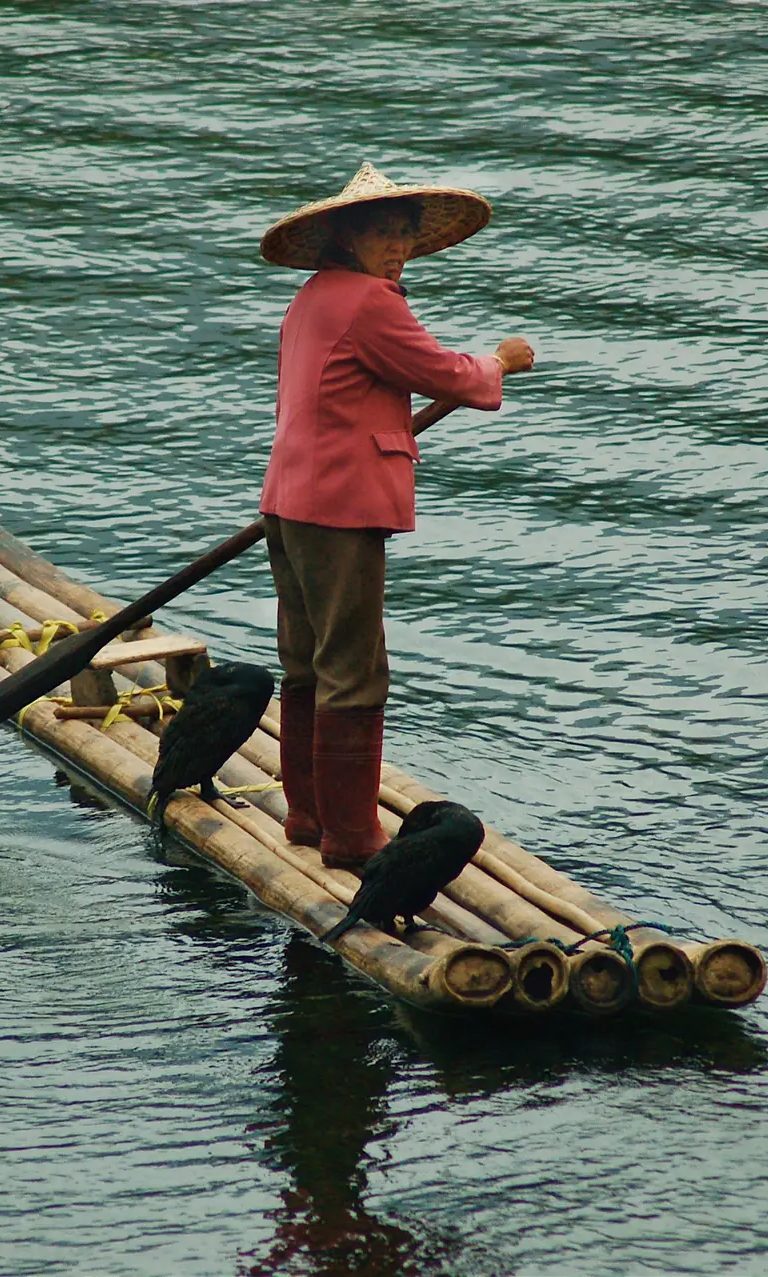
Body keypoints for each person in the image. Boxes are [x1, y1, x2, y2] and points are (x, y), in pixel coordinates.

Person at [256, 163, 534, 867]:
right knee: (354, 670)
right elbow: (444, 373)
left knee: (306, 661)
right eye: (381, 232)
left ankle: (307, 816)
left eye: (404, 233)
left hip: (289, 501)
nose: (397, 247)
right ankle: (351, 836)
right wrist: (499, 361)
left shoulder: (312, 297)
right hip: (338, 506)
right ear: (346, 237)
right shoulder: (369, 302)